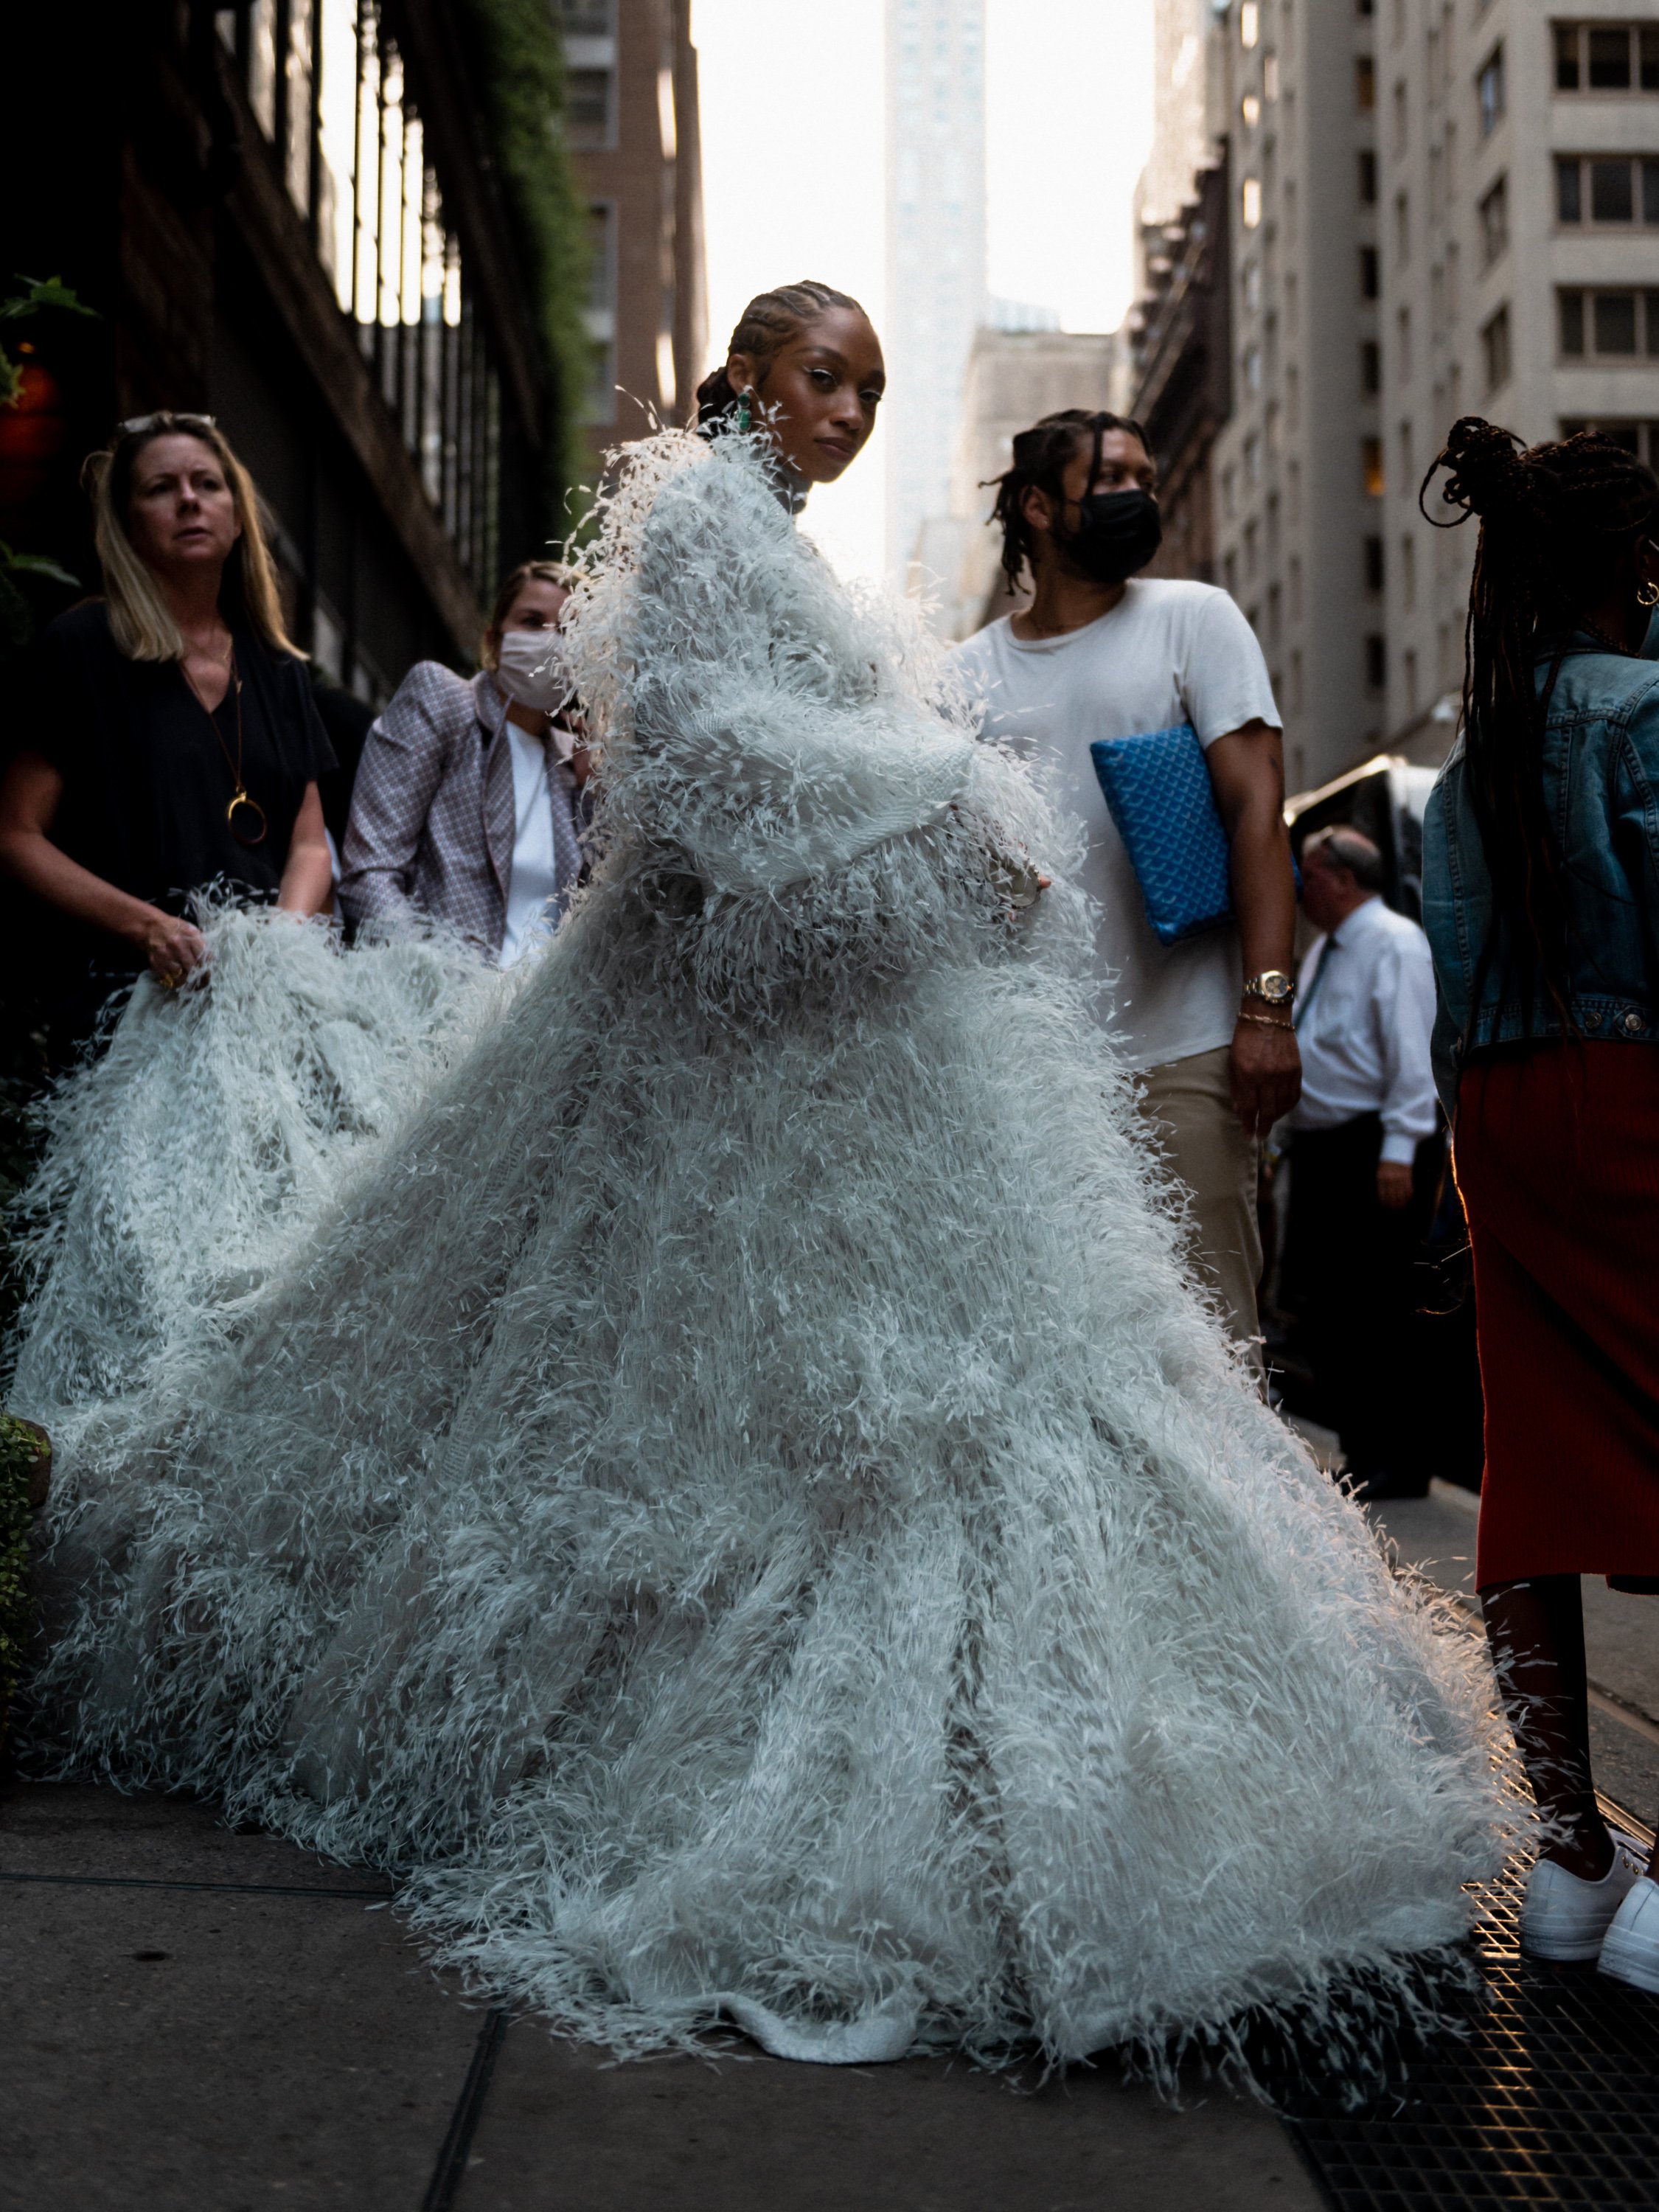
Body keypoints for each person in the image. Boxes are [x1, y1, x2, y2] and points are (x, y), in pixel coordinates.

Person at [24, 285, 1500, 2084]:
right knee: (702, 1409)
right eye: (823, 377)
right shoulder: (710, 519)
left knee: (969, 1390)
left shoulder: (776, 536)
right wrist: (946, 786)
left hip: (824, 1048)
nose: (848, 410)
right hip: (721, 1047)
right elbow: (706, 755)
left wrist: (943, 820)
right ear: (744, 374)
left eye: (874, 387)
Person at [1421, 417, 1659, 1988]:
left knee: (1539, 1460)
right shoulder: (1646, 710)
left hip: (1499, 1112)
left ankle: (1571, 1860)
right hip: (1635, 1089)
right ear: (1638, 568)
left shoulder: (1470, 765)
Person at [952, 412, 1300, 1363]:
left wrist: (1267, 1015)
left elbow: (1257, 815)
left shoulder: (1195, 619)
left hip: (1185, 1056)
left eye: (1146, 475)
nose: (1138, 495)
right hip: (1030, 1077)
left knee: (1212, 1355)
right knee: (1058, 1362)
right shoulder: (961, 680)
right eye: (1110, 477)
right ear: (1036, 504)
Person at [0, 413, 335, 1055]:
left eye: (207, 484)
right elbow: (15, 835)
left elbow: (309, 844)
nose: (188, 499)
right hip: (129, 1012)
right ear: (127, 527)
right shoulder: (82, 649)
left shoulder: (278, 668)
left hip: (266, 1014)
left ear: (236, 518)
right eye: (161, 488)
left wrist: (277, 949)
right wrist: (146, 926)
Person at [1277, 826, 1441, 1500]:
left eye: (1309, 874)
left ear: (1343, 879)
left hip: (1373, 1146)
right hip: (1325, 1147)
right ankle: (1363, 1450)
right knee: (1330, 1306)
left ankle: (1396, 1461)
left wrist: (1399, 1149)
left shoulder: (1394, 944)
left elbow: (1413, 1053)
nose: (1299, 886)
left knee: (1378, 1305)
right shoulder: (1326, 949)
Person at [339, 562, 588, 965]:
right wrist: (429, 985)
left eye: (568, 630)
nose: (551, 642)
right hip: (443, 1007)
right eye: (532, 622)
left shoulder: (576, 760)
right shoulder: (444, 703)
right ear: (493, 641)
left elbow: (603, 917)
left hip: (552, 1018)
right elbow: (371, 872)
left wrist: (598, 787)